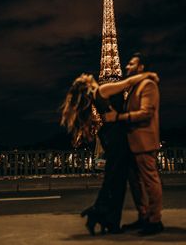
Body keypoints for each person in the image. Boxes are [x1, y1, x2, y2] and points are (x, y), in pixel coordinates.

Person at [61, 70, 159, 235]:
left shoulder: (96, 94)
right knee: (116, 181)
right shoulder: (102, 90)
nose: (88, 74)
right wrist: (147, 75)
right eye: (85, 76)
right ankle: (105, 216)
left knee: (114, 180)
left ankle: (105, 217)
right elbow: (127, 83)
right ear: (87, 84)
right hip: (116, 137)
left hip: (110, 136)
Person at [104, 52, 164, 236]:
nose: (126, 66)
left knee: (149, 181)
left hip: (144, 142)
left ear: (140, 67)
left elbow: (146, 113)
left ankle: (155, 221)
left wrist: (118, 117)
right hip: (132, 143)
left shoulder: (147, 85)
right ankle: (144, 216)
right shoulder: (134, 86)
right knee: (137, 184)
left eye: (131, 64)